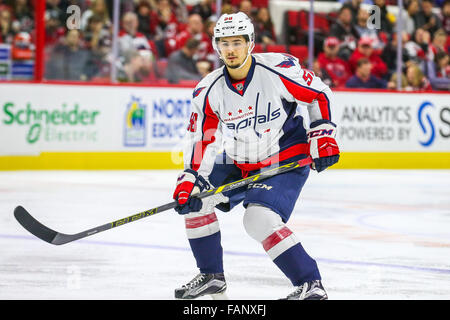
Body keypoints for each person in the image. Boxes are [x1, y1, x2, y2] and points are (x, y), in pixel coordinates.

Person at [171, 12, 340, 300]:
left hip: (284, 156)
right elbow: (204, 139)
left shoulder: (277, 70)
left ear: (250, 43)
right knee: (197, 201)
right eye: (224, 43)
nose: (231, 50)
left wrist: (323, 134)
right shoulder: (208, 90)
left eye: (237, 42)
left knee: (258, 219)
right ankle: (212, 276)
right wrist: (191, 178)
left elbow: (318, 94)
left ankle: (310, 284)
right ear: (216, 47)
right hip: (239, 159)